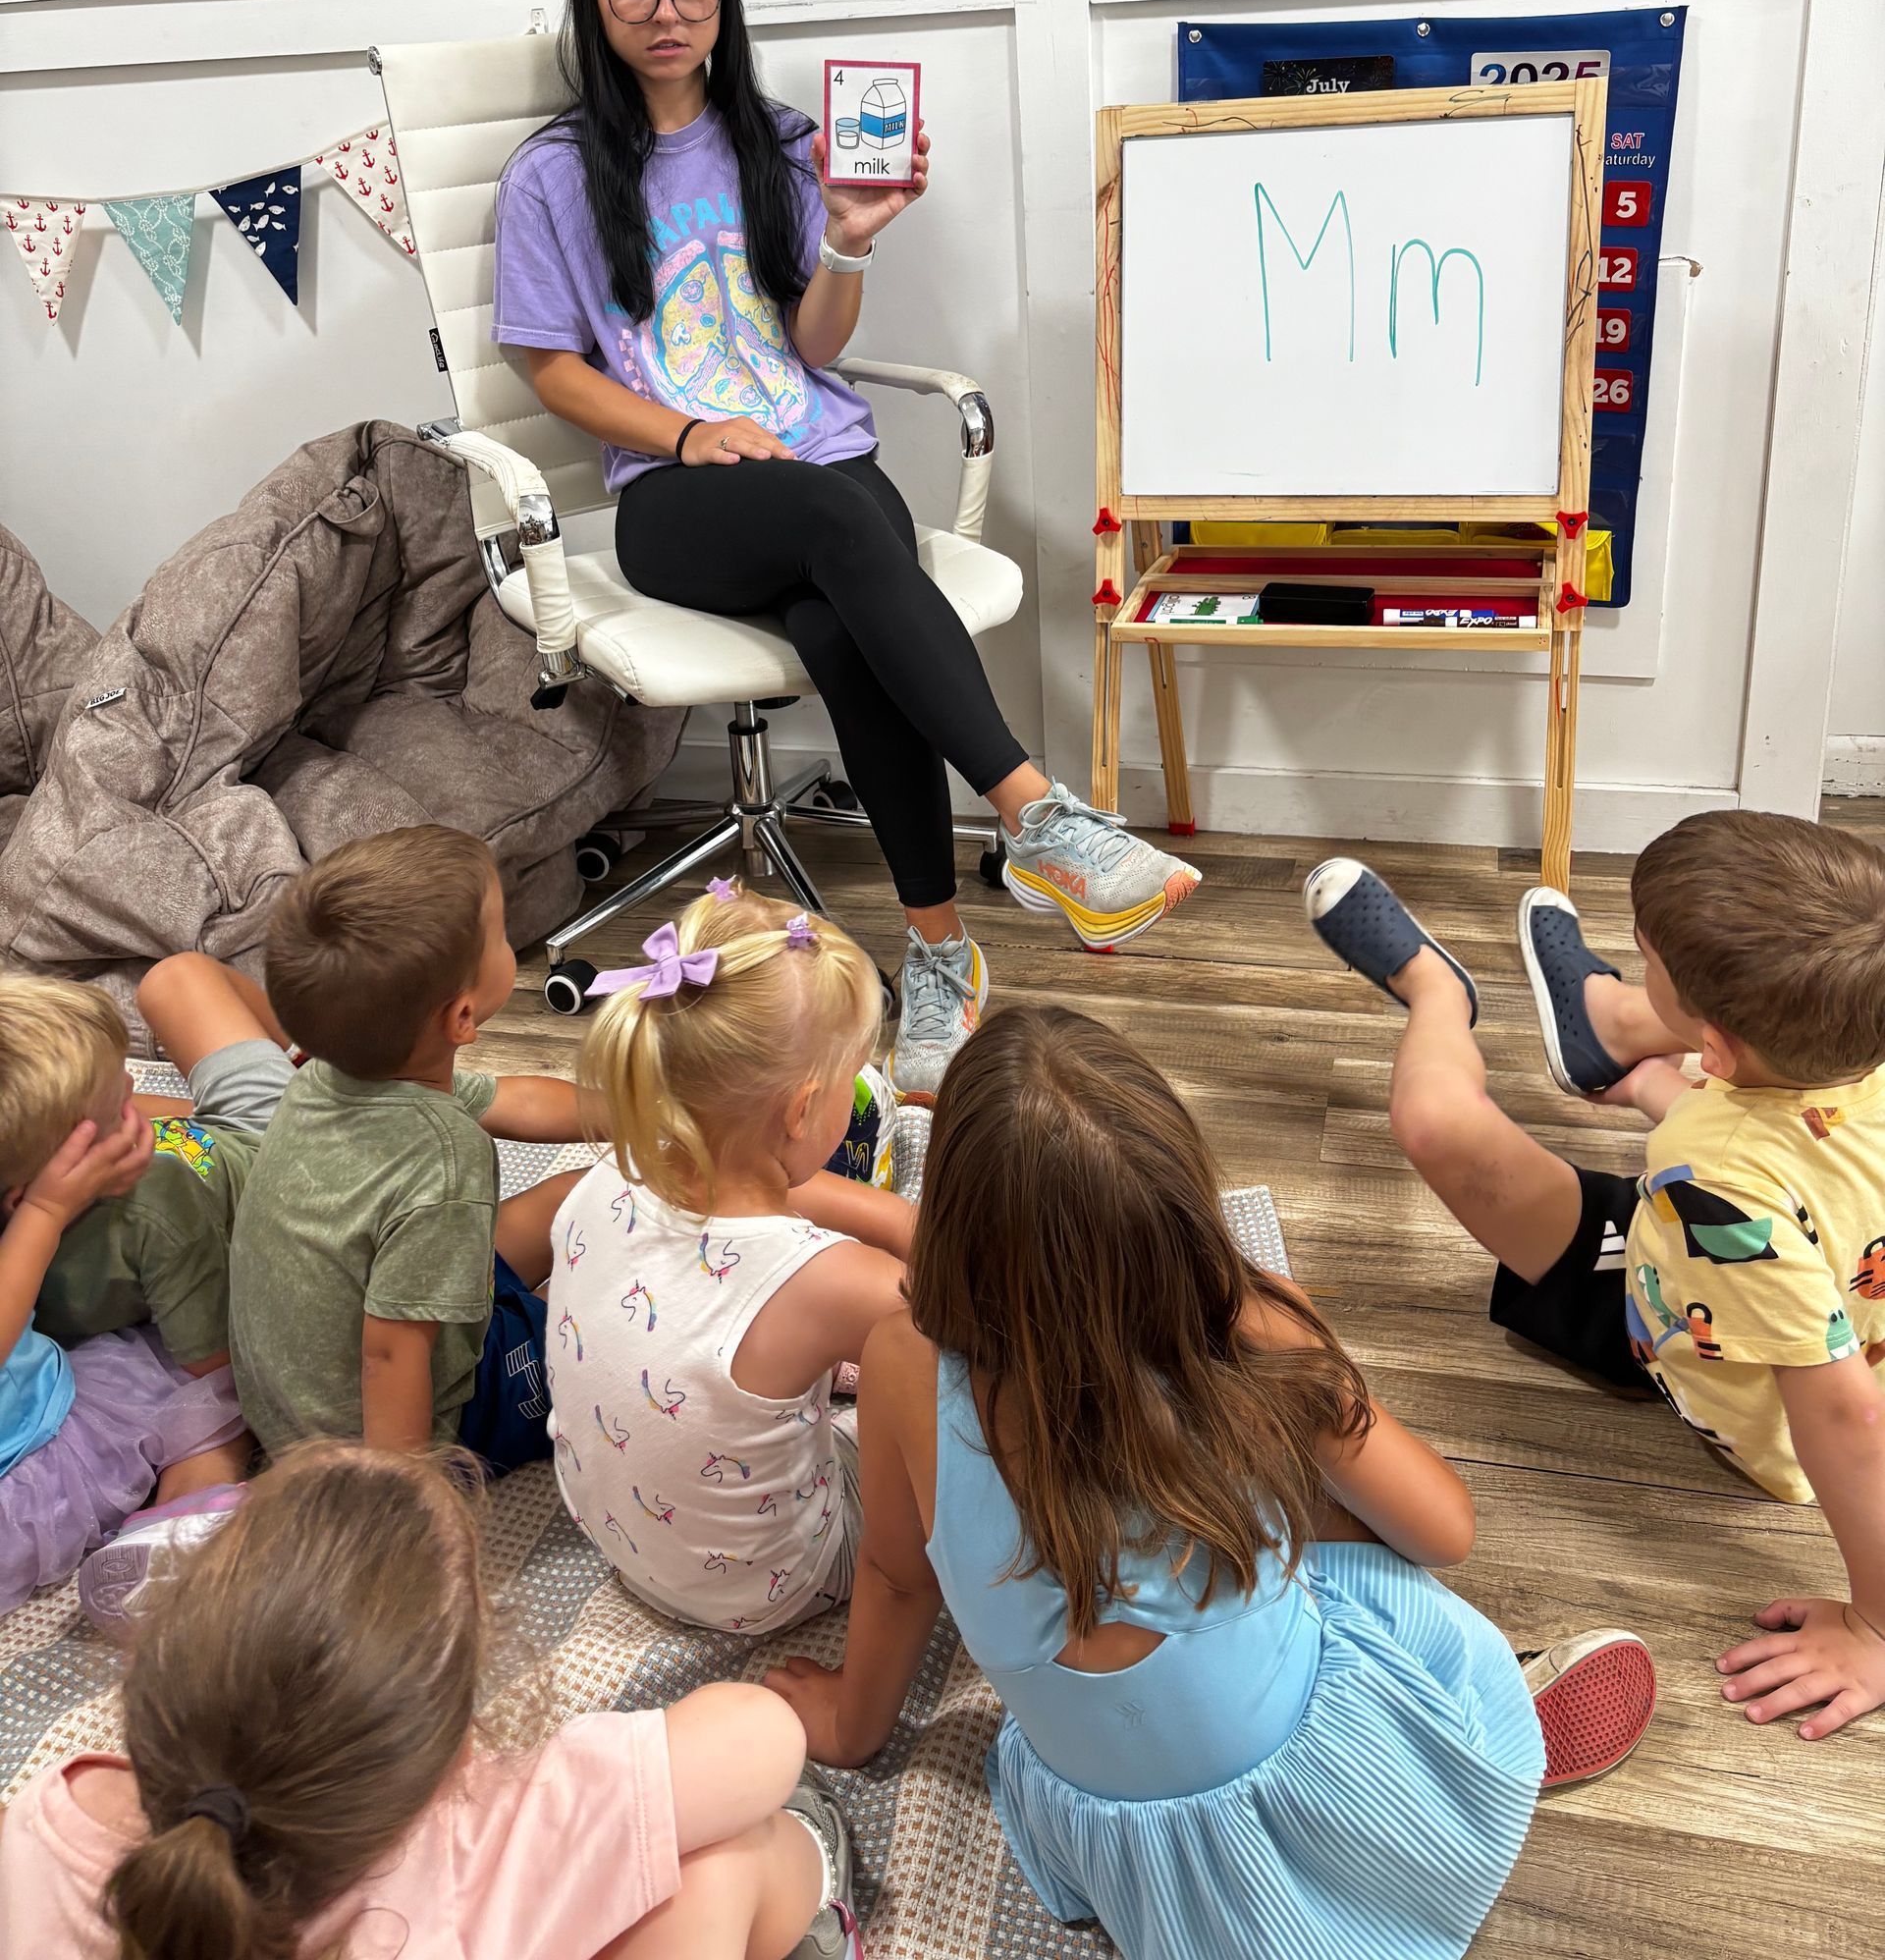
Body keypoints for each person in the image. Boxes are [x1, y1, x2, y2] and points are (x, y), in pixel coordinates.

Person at [491, 0, 1200, 1102]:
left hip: (822, 467)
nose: (666, 11)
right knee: (837, 515)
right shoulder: (553, 175)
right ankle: (1036, 817)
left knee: (838, 613)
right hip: (677, 498)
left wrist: (848, 241)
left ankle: (940, 956)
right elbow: (549, 366)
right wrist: (683, 431)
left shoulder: (782, 142)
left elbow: (811, 351)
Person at [766, 1006, 1652, 1960]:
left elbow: (900, 1579)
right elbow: (1445, 1530)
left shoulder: (899, 1359)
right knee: (1329, 1509)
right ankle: (1456, 1744)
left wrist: (853, 1726)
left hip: (1134, 1853)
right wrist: (1307, 1357)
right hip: (1327, 1780)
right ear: (1181, 1203)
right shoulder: (1255, 1323)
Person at [1305, 807, 1885, 1744]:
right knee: (1681, 1117)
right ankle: (1605, 1041)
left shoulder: (1722, 1182)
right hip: (1811, 1254)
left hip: (1669, 1315)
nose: (1642, 958)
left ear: (1716, 1052)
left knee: (1436, 1126)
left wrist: (1876, 1624)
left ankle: (1434, 994)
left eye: (1646, 960)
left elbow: (1849, 1413)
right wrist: (1668, 1094)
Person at [0, 1442, 863, 1960]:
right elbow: (767, 1739)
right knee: (730, 1858)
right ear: (452, 1755)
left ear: (155, 1674)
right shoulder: (490, 1830)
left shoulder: (36, 1828)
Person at [549, 883, 912, 1634]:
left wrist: (899, 1219)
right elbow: (976, 1315)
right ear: (803, 1110)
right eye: (852, 1080)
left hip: (617, 1538)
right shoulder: (843, 1282)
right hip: (768, 1589)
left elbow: (771, 1204)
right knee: (956, 1397)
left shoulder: (602, 1175)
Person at [226, 825, 590, 1471]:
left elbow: (520, 1101)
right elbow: (391, 1353)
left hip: (294, 1398)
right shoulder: (445, 1159)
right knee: (620, 1338)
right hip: (417, 1423)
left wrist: (646, 1111)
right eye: (502, 936)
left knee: (580, 1193)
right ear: (462, 1019)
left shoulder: (328, 1070)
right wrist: (399, 1508)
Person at [0, 979, 247, 1613]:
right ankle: (188, 1538)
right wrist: (51, 1210)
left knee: (181, 986)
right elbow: (215, 1364)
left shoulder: (151, 1200)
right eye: (114, 1112)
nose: (133, 1094)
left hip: (245, 1144)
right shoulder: (141, 1212)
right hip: (32, 1467)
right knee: (214, 1389)